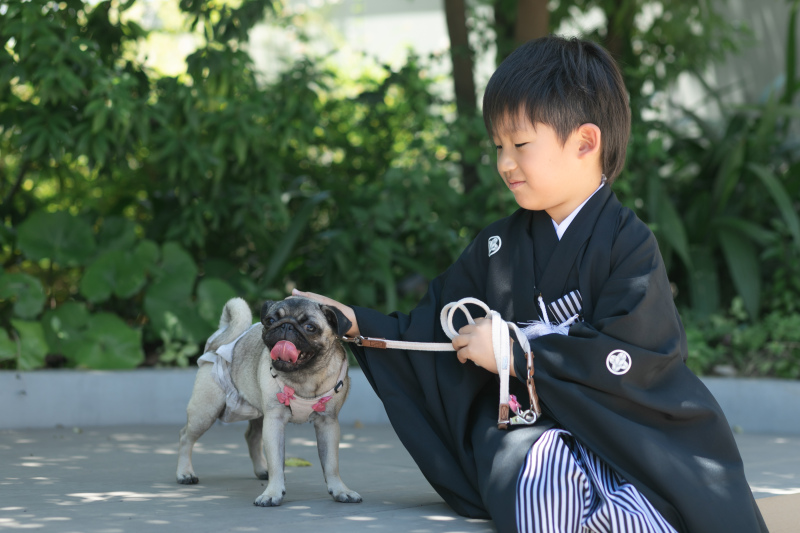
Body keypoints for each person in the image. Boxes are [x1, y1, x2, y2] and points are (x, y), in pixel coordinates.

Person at [294, 35, 767, 533]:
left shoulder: (628, 244)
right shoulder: (498, 246)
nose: (503, 163)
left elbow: (634, 360)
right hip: (529, 430)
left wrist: (516, 353)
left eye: (520, 145)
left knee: (644, 510)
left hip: (625, 438)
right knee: (543, 473)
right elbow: (429, 330)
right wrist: (352, 323)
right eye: (498, 146)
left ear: (586, 142)